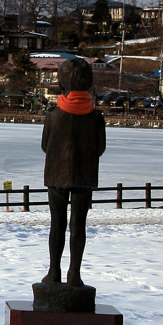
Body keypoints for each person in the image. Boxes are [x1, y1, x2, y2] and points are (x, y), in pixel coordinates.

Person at [41, 58, 106, 287]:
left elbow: (44, 145)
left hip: (56, 175)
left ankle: (53, 272)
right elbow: (100, 148)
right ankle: (74, 274)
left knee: (57, 224)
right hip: (84, 176)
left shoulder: (53, 115)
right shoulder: (96, 118)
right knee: (78, 224)